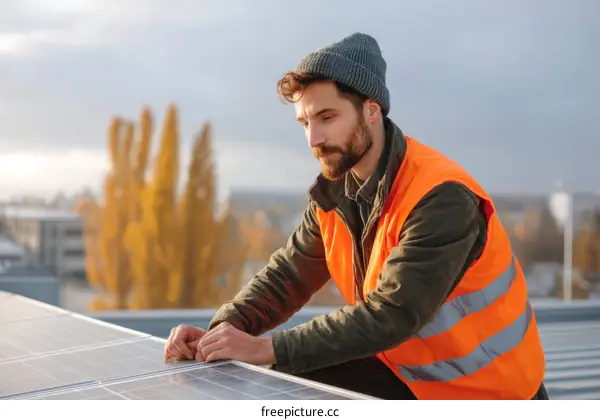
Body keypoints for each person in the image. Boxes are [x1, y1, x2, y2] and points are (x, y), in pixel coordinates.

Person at [164, 32, 549, 400]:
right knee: (285, 388)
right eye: (305, 123)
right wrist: (223, 330)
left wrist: (267, 347)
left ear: (371, 110)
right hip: (407, 375)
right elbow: (288, 276)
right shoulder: (336, 192)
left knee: (284, 363)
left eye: (327, 117)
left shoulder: (441, 197)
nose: (313, 139)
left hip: (488, 393)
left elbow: (391, 315)